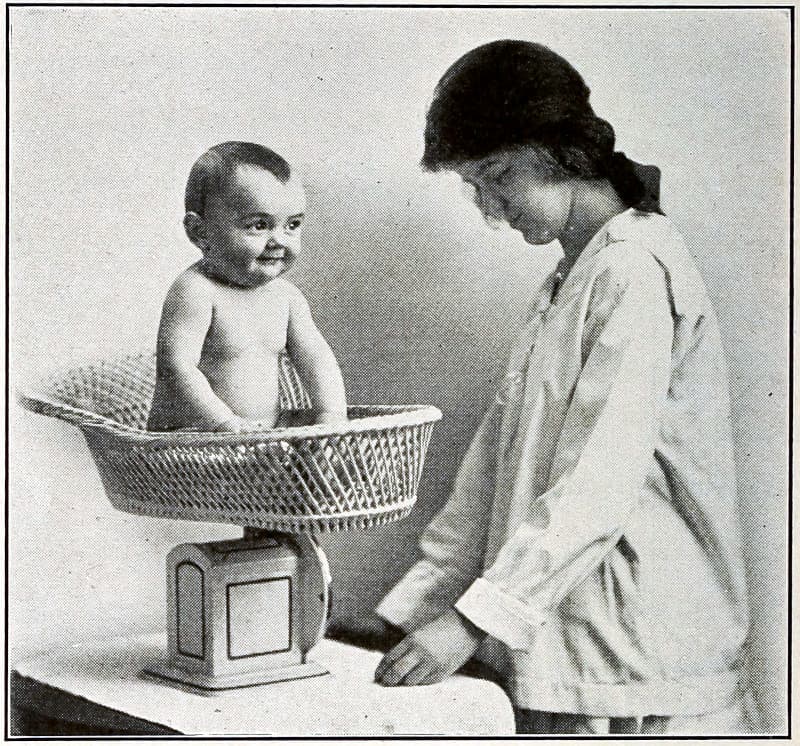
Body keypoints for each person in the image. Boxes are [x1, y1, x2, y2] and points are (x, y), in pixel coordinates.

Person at [373, 40, 751, 735]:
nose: (491, 208)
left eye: (499, 177)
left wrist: (470, 623)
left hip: (637, 652)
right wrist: (413, 612)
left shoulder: (633, 270)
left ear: (562, 150)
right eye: (475, 188)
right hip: (572, 639)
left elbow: (597, 482)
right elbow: (492, 472)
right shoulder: (571, 278)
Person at [147, 141, 347, 433]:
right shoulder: (196, 291)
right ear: (200, 232)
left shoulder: (287, 298)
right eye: (259, 225)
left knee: (332, 448)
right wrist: (224, 422)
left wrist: (331, 414)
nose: (278, 240)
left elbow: (317, 359)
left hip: (257, 436)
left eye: (292, 225)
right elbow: (177, 369)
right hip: (193, 438)